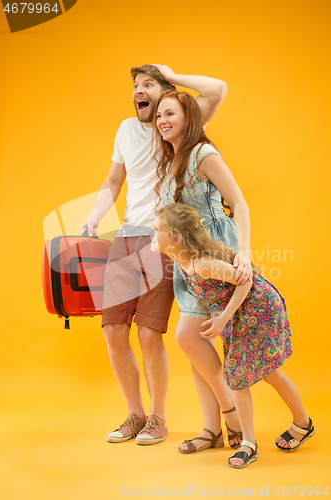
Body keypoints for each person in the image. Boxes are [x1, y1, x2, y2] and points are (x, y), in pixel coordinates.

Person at [79, 64, 228, 445]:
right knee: (112, 329)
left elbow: (217, 89)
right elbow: (113, 180)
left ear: (166, 93)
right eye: (135, 86)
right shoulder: (126, 130)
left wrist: (173, 74)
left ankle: (158, 417)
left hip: (163, 239)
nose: (138, 91)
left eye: (148, 84)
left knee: (148, 333)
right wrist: (95, 216)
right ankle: (134, 413)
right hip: (126, 237)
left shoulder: (177, 126)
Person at [151, 203, 315, 467]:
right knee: (239, 377)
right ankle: (250, 441)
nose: (152, 233)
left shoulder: (201, 264)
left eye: (157, 229)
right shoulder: (180, 260)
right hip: (238, 314)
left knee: (267, 374)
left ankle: (302, 423)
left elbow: (246, 282)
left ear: (177, 238)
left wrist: (222, 319)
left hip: (257, 308)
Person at [153, 90, 252, 451]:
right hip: (187, 259)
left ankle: (231, 415)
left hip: (211, 253)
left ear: (189, 116)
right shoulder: (170, 159)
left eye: (170, 113)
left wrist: (244, 251)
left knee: (188, 336)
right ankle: (212, 430)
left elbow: (239, 202)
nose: (162, 120)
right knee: (197, 344)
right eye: (159, 115)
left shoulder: (202, 153)